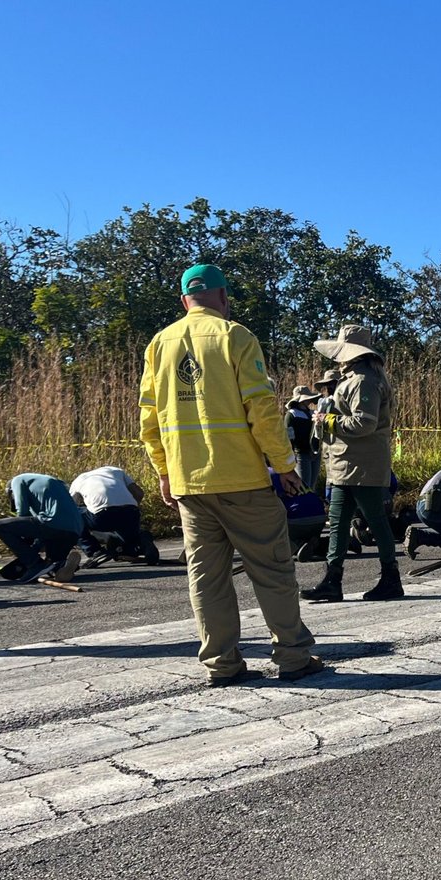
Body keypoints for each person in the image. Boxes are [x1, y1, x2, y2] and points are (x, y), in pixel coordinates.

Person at [139, 264, 321, 685]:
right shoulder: (235, 336)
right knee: (272, 570)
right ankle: (293, 658)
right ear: (223, 297)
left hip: (189, 483)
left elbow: (149, 420)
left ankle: (222, 665)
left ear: (185, 301)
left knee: (207, 578)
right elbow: (260, 408)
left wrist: (165, 473)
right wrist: (284, 465)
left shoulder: (159, 344)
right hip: (242, 479)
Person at [301, 324, 403, 603]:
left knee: (375, 521)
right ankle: (332, 580)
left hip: (362, 464)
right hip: (345, 463)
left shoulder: (362, 380)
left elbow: (364, 423)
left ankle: (391, 578)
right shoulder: (358, 378)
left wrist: (328, 421)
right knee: (337, 522)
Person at [70, 465, 157, 566]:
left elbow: (70, 508)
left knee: (73, 518)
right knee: (130, 544)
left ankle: (95, 551)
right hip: (131, 512)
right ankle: (142, 541)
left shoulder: (79, 479)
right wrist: (132, 508)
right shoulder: (115, 470)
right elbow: (139, 493)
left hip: (102, 515)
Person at [286, 382, 320, 491]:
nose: (309, 401)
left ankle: (311, 507)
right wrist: (292, 456)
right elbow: (289, 437)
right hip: (301, 454)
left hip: (315, 453)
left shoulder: (312, 413)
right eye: (307, 399)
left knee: (312, 485)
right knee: (303, 486)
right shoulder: (291, 414)